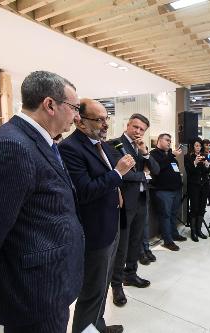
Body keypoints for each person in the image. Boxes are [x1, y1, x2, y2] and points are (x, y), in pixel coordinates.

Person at [0, 71, 83, 333]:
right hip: (34, 291)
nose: (77, 116)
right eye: (74, 108)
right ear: (50, 105)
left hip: (48, 284)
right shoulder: (11, 146)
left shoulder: (39, 142)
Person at [60, 99, 134, 333]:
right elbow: (84, 191)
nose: (105, 124)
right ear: (80, 121)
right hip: (94, 232)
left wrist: (117, 187)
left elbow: (108, 181)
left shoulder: (101, 146)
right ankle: (85, 329)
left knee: (102, 288)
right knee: (92, 291)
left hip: (110, 226)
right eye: (99, 119)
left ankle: (98, 325)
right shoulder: (70, 148)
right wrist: (118, 173)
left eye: (106, 118)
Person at [109, 113, 160, 307]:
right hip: (124, 202)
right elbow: (123, 174)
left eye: (142, 129)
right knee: (121, 244)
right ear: (127, 125)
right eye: (135, 127)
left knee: (136, 241)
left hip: (141, 200)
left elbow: (155, 170)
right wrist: (143, 175)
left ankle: (131, 274)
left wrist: (146, 153)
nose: (138, 131)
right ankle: (116, 285)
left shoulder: (141, 147)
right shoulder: (114, 144)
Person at [149, 134, 185, 250]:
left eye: (170, 140)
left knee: (174, 214)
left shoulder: (170, 156)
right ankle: (167, 240)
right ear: (159, 140)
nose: (169, 142)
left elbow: (175, 169)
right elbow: (157, 169)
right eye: (167, 140)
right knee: (165, 215)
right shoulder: (153, 154)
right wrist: (171, 156)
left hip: (175, 190)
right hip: (163, 191)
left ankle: (174, 234)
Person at [184, 138, 210, 242]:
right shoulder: (187, 157)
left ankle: (199, 230)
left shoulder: (204, 156)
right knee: (194, 208)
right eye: (196, 145)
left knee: (202, 207)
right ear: (192, 146)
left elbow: (207, 171)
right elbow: (188, 171)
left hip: (204, 185)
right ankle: (193, 231)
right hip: (193, 186)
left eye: (199, 146)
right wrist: (195, 163)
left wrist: (207, 166)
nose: (198, 148)